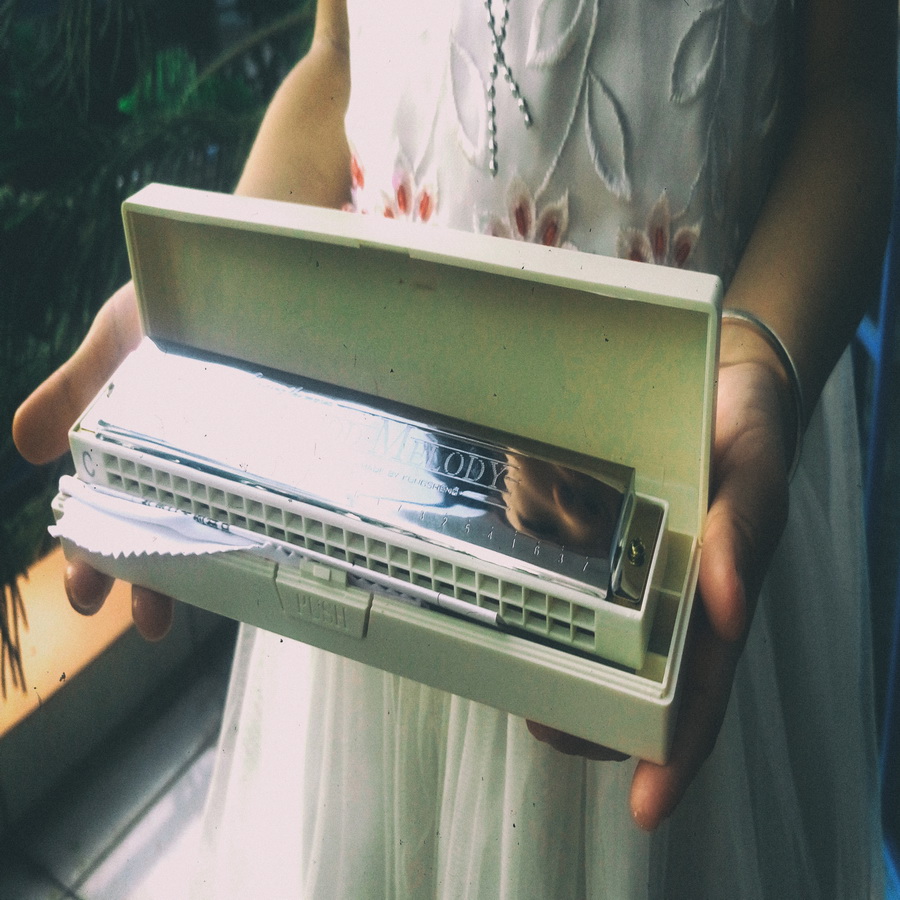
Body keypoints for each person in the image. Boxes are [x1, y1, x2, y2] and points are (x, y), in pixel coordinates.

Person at [12, 0, 895, 895]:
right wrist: (218, 284)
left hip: (693, 474)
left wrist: (756, 359)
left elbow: (852, 100)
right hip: (369, 486)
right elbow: (339, 56)